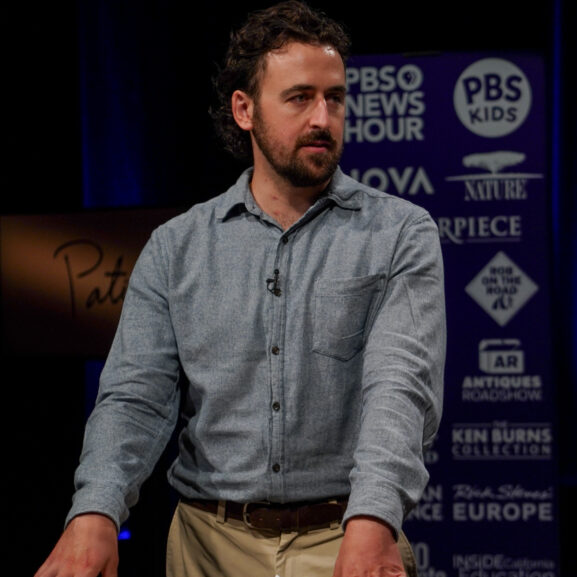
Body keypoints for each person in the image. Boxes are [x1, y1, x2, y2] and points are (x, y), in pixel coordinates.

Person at [35, 2, 445, 576]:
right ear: (245, 110)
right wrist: (95, 512)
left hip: (344, 538)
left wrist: (374, 518)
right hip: (207, 545)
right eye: (300, 97)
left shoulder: (400, 232)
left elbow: (401, 390)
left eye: (335, 98)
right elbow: (135, 398)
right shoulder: (177, 247)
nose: (323, 119)